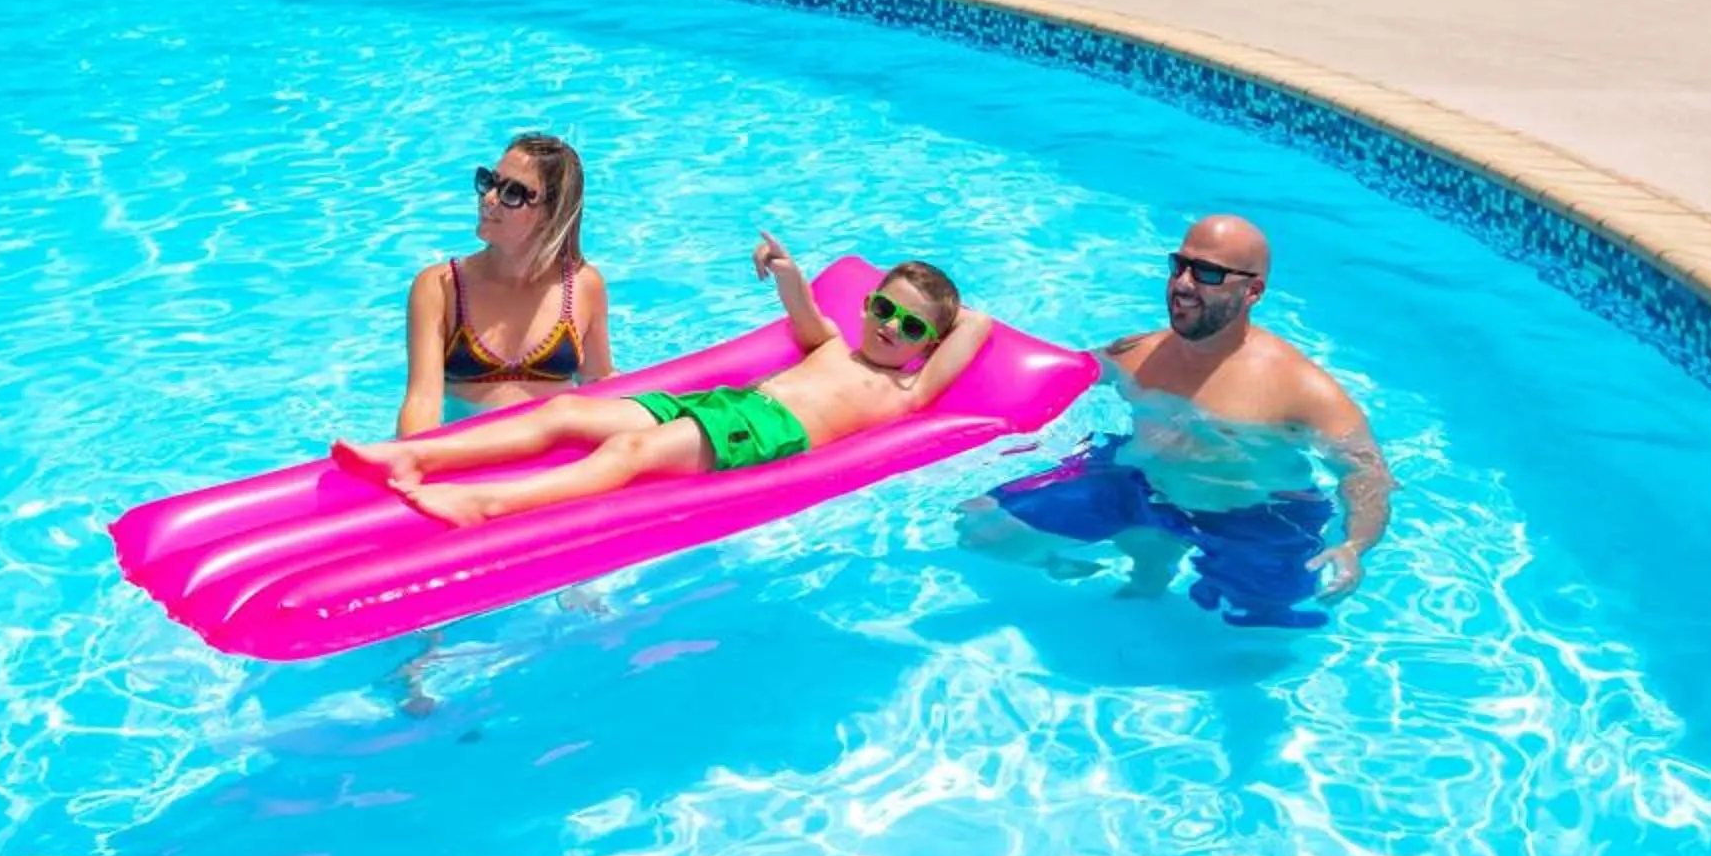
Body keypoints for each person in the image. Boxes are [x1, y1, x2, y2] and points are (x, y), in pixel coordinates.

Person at [334, 233, 990, 528]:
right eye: (884, 308)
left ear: (927, 345)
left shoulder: (908, 391)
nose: (889, 328)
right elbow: (804, 308)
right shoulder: (831, 344)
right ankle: (415, 455)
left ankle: (489, 504)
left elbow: (978, 325)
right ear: (867, 304)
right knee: (563, 414)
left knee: (627, 452)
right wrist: (786, 271)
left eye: (909, 327)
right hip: (727, 406)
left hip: (765, 432)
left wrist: (943, 314)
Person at [965, 212, 1391, 625]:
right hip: (1141, 485)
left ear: (1253, 292)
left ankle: (1154, 554)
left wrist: (1354, 544)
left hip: (1251, 514)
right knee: (981, 526)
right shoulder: (1140, 354)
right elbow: (1054, 373)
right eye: (1179, 265)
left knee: (1261, 630)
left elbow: (1367, 472)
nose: (1183, 284)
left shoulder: (1301, 389)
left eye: (1207, 273)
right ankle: (1143, 546)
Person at [380, 134, 611, 440]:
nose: (489, 198)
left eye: (512, 193)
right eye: (489, 181)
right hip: (471, 456)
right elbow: (422, 401)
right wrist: (416, 460)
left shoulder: (583, 285)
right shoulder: (440, 288)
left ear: (550, 215)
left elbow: (599, 383)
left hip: (558, 457)